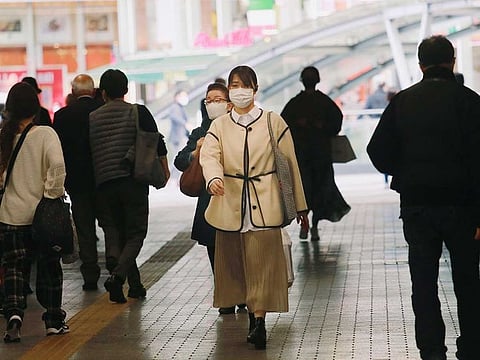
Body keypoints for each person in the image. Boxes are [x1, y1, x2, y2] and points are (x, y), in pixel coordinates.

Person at [367, 35, 480, 360]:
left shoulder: (403, 102)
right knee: (468, 282)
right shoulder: (470, 102)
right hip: (463, 209)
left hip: (417, 208)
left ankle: (432, 350)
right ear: (452, 62)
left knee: (424, 283)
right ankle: (472, 347)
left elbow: (376, 151)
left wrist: (404, 173)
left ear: (420, 65)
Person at [200, 65, 308, 350]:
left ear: (255, 89)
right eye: (234, 85)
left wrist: (300, 206)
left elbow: (290, 164)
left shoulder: (273, 121)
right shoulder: (220, 125)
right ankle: (250, 312)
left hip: (266, 204)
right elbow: (210, 155)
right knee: (237, 268)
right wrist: (213, 178)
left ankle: (258, 320)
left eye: (244, 85)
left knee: (263, 267)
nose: (238, 90)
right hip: (230, 205)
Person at [89, 69, 169, 303]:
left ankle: (132, 283)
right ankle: (119, 275)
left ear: (103, 92)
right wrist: (164, 169)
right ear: (125, 90)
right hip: (132, 182)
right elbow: (156, 141)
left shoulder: (93, 118)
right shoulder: (138, 111)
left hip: (104, 184)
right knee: (135, 234)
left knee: (115, 231)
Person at [0, 82, 69, 342]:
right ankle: (53, 320)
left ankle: (14, 316)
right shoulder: (45, 135)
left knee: (15, 269)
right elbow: (58, 165)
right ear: (35, 107)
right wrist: (51, 194)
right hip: (42, 218)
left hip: (10, 216)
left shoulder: (3, 137)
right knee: (50, 268)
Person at [175, 82, 246, 315]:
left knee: (237, 247)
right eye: (208, 101)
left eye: (218, 100)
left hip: (235, 196)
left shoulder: (239, 127)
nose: (212, 105)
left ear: (229, 103)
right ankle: (225, 295)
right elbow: (179, 161)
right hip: (209, 199)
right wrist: (195, 151)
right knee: (214, 248)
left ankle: (242, 293)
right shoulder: (200, 132)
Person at [281, 66, 350, 241]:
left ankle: (306, 224)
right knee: (321, 191)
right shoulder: (325, 102)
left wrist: (299, 126)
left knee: (304, 191)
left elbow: (283, 125)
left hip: (302, 157)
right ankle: (315, 225)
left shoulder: (295, 103)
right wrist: (322, 128)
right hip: (321, 156)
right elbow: (336, 122)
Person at [53, 74, 103, 291]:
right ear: (93, 91)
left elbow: (59, 151)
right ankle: (117, 267)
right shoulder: (102, 109)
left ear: (73, 92)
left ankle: (90, 275)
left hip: (76, 181)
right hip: (103, 179)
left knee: (84, 228)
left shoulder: (62, 116)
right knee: (110, 225)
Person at [168, 90, 189, 158]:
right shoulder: (175, 107)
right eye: (183, 95)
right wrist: (185, 123)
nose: (185, 97)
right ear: (177, 97)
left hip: (181, 137)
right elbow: (174, 117)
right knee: (179, 159)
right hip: (178, 138)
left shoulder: (180, 107)